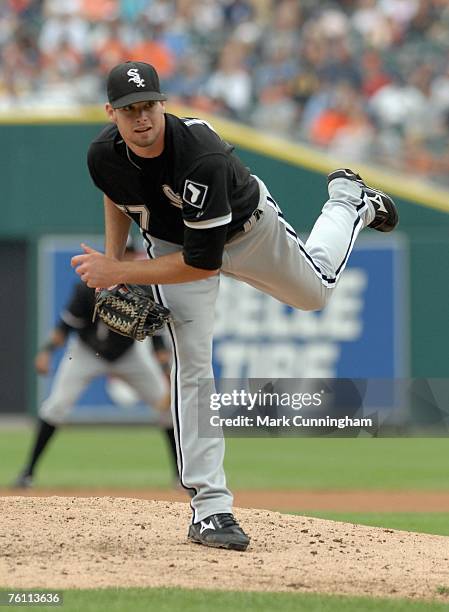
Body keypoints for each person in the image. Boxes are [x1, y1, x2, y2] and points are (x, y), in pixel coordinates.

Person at [71, 61, 399, 552]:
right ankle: (210, 507)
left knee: (316, 293)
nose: (141, 118)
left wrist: (118, 272)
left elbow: (202, 264)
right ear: (111, 114)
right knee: (193, 365)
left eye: (148, 106)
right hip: (167, 243)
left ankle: (348, 203)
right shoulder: (102, 153)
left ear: (163, 105)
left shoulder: (199, 156)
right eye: (128, 109)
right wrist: (115, 259)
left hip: (247, 231)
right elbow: (117, 197)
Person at [13, 242, 177, 489]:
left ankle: (181, 476)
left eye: (130, 253)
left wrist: (165, 373)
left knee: (167, 409)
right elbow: (64, 327)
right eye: (122, 254)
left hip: (129, 355)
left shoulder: (143, 289)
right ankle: (28, 473)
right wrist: (47, 352)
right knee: (55, 407)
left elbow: (157, 339)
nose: (126, 258)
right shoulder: (87, 286)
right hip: (86, 353)